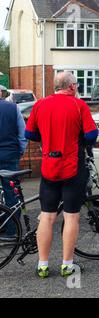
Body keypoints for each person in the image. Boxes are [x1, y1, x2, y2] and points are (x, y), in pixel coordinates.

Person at [25, 71, 98, 279]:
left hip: (49, 167)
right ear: (72, 87)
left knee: (47, 217)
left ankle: (42, 265)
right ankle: (67, 265)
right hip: (73, 168)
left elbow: (29, 134)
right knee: (71, 216)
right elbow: (92, 135)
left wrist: (46, 138)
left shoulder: (40, 105)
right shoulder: (79, 105)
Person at [0, 88, 27, 241]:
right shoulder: (12, 107)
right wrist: (20, 151)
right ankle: (12, 232)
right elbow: (23, 133)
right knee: (11, 195)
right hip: (10, 155)